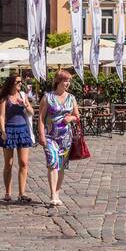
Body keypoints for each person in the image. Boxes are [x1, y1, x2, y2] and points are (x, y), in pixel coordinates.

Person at [38, 71, 78, 206]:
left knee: (60, 166)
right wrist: (41, 135)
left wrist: (70, 118)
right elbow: (41, 118)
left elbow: (77, 116)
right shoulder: (47, 97)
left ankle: (57, 193)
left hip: (66, 137)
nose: (67, 84)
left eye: (69, 81)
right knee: (52, 161)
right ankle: (53, 194)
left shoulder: (71, 98)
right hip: (50, 135)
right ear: (58, 81)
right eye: (65, 81)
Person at [0, 73, 35, 203]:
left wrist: (25, 104)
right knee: (8, 163)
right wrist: (2, 130)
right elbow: (1, 116)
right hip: (9, 130)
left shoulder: (23, 96)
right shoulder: (5, 98)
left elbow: (31, 112)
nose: (20, 83)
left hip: (22, 129)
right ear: (12, 83)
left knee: (23, 163)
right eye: (18, 81)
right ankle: (8, 192)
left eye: (21, 81)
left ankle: (22, 193)